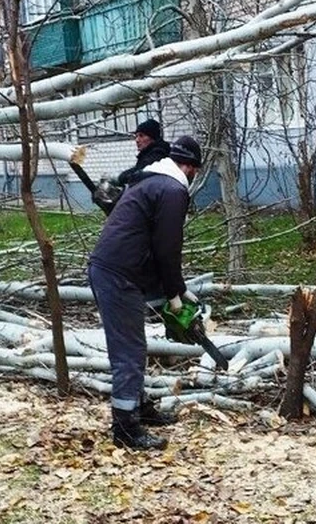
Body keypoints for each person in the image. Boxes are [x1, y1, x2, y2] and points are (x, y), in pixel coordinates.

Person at [87, 135, 203, 450]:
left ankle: (137, 407)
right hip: (117, 273)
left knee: (133, 346)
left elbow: (151, 247)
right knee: (130, 351)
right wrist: (175, 294)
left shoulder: (150, 182)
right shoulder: (173, 190)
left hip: (120, 269)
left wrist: (175, 292)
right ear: (190, 168)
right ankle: (125, 428)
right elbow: (167, 249)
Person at [116, 119, 171, 187]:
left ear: (152, 138)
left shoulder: (158, 155)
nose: (137, 140)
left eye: (141, 136)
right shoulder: (146, 154)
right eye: (136, 136)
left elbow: (139, 174)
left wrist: (121, 178)